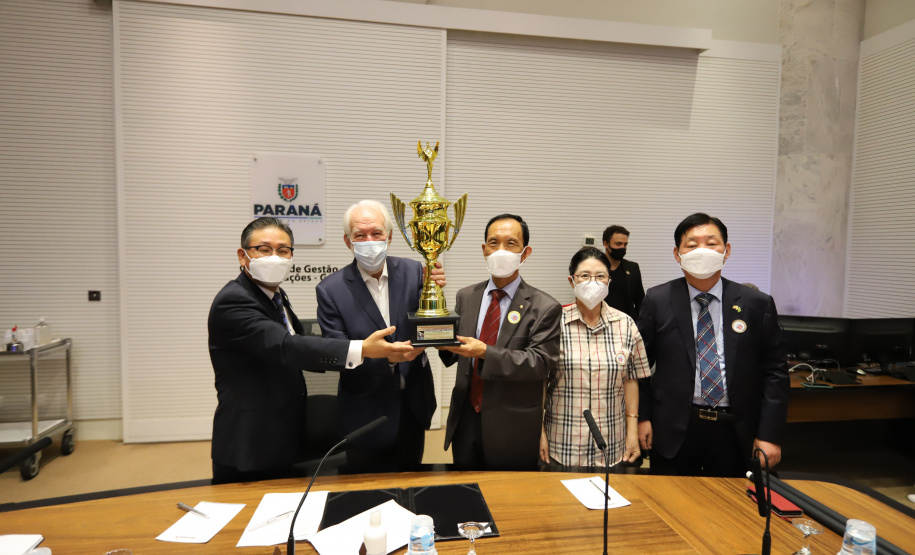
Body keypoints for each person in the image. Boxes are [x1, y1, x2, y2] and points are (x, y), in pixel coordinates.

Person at [208, 217, 413, 483]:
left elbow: (297, 342)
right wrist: (362, 348)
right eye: (264, 249)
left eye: (283, 250)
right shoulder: (234, 301)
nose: (274, 257)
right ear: (243, 255)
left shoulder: (274, 295)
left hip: (281, 431)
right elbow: (286, 346)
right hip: (249, 439)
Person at [636, 213, 789, 477]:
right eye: (692, 244)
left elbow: (776, 371)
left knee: (732, 501)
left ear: (726, 250)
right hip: (674, 427)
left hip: (737, 430)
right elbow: (639, 366)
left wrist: (769, 434)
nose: (702, 251)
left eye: (711, 243)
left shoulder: (756, 303)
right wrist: (642, 418)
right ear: (677, 254)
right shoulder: (657, 300)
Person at [316, 200, 441, 468]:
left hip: (412, 405)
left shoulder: (416, 272)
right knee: (365, 488)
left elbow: (429, 324)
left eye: (376, 233)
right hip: (365, 413)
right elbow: (336, 352)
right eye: (360, 235)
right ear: (348, 241)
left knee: (411, 484)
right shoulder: (330, 290)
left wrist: (436, 300)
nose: (369, 241)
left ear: (389, 236)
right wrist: (386, 357)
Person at [439, 214, 561, 468]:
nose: (501, 250)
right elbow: (453, 352)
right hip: (465, 419)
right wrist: (439, 338)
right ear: (484, 250)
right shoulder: (466, 296)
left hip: (512, 425)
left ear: (525, 253)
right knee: (464, 487)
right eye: (494, 243)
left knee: (508, 491)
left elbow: (540, 362)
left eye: (511, 243)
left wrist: (485, 352)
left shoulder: (544, 306)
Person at [541, 247, 650, 467]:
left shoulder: (626, 324)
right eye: (585, 276)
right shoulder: (553, 323)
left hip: (612, 445)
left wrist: (632, 432)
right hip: (562, 444)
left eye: (600, 276)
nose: (593, 282)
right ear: (572, 281)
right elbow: (541, 381)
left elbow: (631, 381)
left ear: (609, 281)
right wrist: (539, 430)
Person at [602, 225, 645, 319]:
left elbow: (641, 302)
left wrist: (638, 323)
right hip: (600, 322)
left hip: (627, 323)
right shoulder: (594, 268)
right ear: (606, 244)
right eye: (618, 244)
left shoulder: (633, 268)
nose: (623, 248)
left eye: (625, 244)